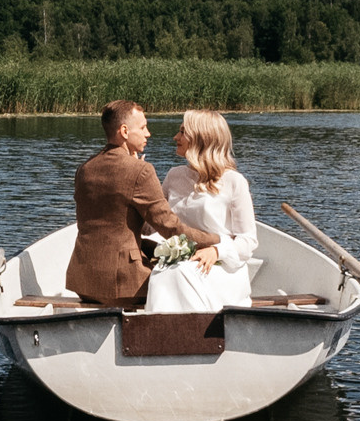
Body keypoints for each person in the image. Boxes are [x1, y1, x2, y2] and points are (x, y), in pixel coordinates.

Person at [67, 100, 218, 308]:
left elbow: (124, 220)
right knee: (189, 283)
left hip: (83, 282)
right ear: (125, 131)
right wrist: (217, 241)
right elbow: (171, 229)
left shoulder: (84, 169)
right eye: (143, 127)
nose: (148, 133)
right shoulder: (141, 171)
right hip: (122, 287)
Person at [144, 110, 259, 313]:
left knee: (176, 273)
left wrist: (216, 251)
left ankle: (189, 335)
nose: (175, 137)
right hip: (178, 263)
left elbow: (248, 241)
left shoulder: (234, 182)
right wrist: (139, 179)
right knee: (166, 272)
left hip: (220, 268)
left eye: (182, 132)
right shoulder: (174, 175)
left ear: (201, 139)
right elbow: (152, 224)